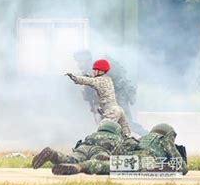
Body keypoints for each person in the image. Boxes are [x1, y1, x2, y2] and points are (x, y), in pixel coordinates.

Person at [53, 123, 188, 175]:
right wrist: (170, 144)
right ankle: (82, 167)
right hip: (148, 159)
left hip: (132, 154)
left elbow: (129, 144)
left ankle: (81, 164)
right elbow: (183, 169)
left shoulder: (143, 138)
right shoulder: (164, 141)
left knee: (113, 164)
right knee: (112, 167)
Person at [73, 50, 146, 135]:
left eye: (80, 61)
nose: (79, 64)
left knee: (127, 122)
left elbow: (93, 90)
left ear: (87, 60)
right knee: (114, 122)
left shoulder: (94, 69)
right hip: (114, 95)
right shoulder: (92, 70)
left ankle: (148, 136)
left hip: (118, 95)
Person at [66, 59, 131, 137]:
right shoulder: (108, 79)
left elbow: (88, 81)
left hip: (111, 112)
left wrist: (74, 77)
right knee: (126, 135)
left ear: (100, 71)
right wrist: (90, 76)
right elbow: (95, 80)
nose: (93, 71)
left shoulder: (99, 81)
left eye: (95, 70)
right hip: (118, 109)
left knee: (102, 135)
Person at [31, 120, 122, 170]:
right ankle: (97, 160)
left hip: (83, 148)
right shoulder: (117, 138)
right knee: (99, 160)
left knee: (70, 160)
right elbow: (120, 149)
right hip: (100, 150)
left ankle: (53, 155)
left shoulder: (93, 134)